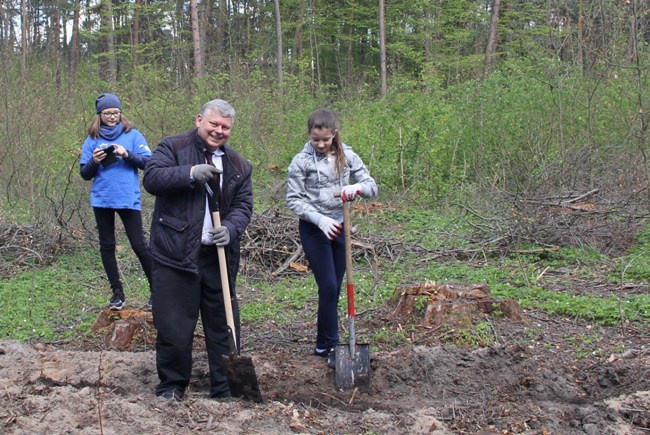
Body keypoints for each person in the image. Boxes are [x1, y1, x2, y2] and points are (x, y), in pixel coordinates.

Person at [143, 99, 253, 401]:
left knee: (223, 326)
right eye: (214, 124)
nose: (219, 131)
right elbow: (152, 179)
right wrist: (190, 173)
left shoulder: (239, 165)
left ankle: (225, 387)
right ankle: (172, 386)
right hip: (175, 253)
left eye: (225, 127)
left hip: (217, 258)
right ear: (199, 120)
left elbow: (244, 205)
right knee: (174, 327)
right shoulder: (172, 147)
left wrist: (230, 229)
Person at [286, 109, 378, 368]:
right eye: (316, 140)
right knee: (327, 285)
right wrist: (318, 219)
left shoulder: (347, 155)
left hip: (341, 227)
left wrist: (356, 187)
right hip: (315, 228)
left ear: (334, 134)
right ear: (309, 135)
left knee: (335, 288)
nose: (321, 144)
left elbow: (372, 186)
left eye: (326, 139)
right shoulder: (301, 161)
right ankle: (330, 344)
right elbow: (294, 199)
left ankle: (323, 342)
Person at [79, 93, 153, 311]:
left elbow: (149, 163)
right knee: (107, 247)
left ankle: (157, 291)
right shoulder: (92, 139)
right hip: (102, 199)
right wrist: (95, 161)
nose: (112, 117)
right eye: (107, 113)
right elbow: (85, 174)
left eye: (115, 113)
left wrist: (127, 154)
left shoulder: (133, 135)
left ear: (121, 113)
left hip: (127, 198)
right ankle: (117, 294)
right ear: (99, 115)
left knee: (139, 245)